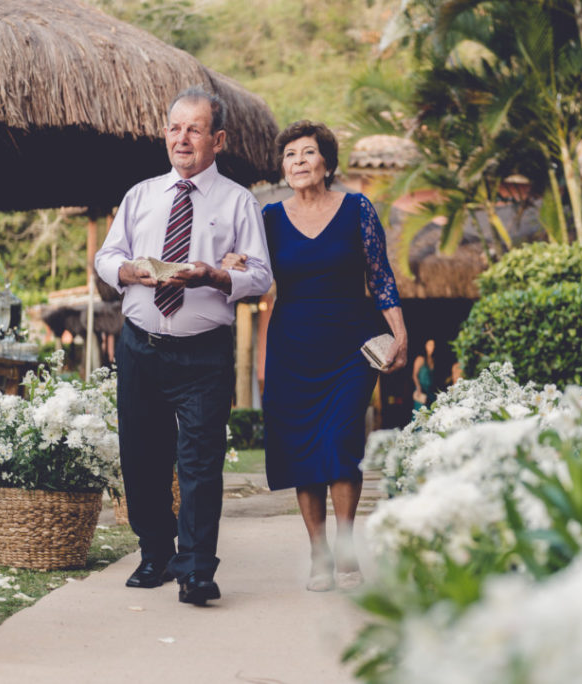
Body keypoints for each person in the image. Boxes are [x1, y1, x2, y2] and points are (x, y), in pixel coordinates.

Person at [94, 87, 272, 605]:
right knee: (142, 456)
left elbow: (259, 276)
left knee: (199, 461)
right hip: (140, 346)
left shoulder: (239, 201)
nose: (183, 139)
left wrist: (215, 276)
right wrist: (125, 270)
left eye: (194, 129)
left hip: (203, 353)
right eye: (175, 128)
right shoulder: (140, 195)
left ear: (217, 139)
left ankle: (196, 569)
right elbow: (108, 257)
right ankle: (155, 553)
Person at [242, 120, 407, 592]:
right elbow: (253, 267)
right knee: (302, 449)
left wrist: (399, 333)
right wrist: (234, 263)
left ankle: (347, 548)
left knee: (339, 440)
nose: (297, 161)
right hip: (293, 342)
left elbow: (381, 276)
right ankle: (319, 553)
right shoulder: (270, 217)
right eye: (289, 155)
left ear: (327, 163)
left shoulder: (356, 208)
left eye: (307, 153)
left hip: (351, 342)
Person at [413, 339, 438, 410]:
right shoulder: (420, 359)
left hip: (430, 392)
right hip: (421, 390)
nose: (432, 347)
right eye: (430, 345)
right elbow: (414, 375)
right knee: (420, 412)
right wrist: (418, 387)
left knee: (432, 412)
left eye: (433, 345)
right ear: (426, 346)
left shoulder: (434, 361)